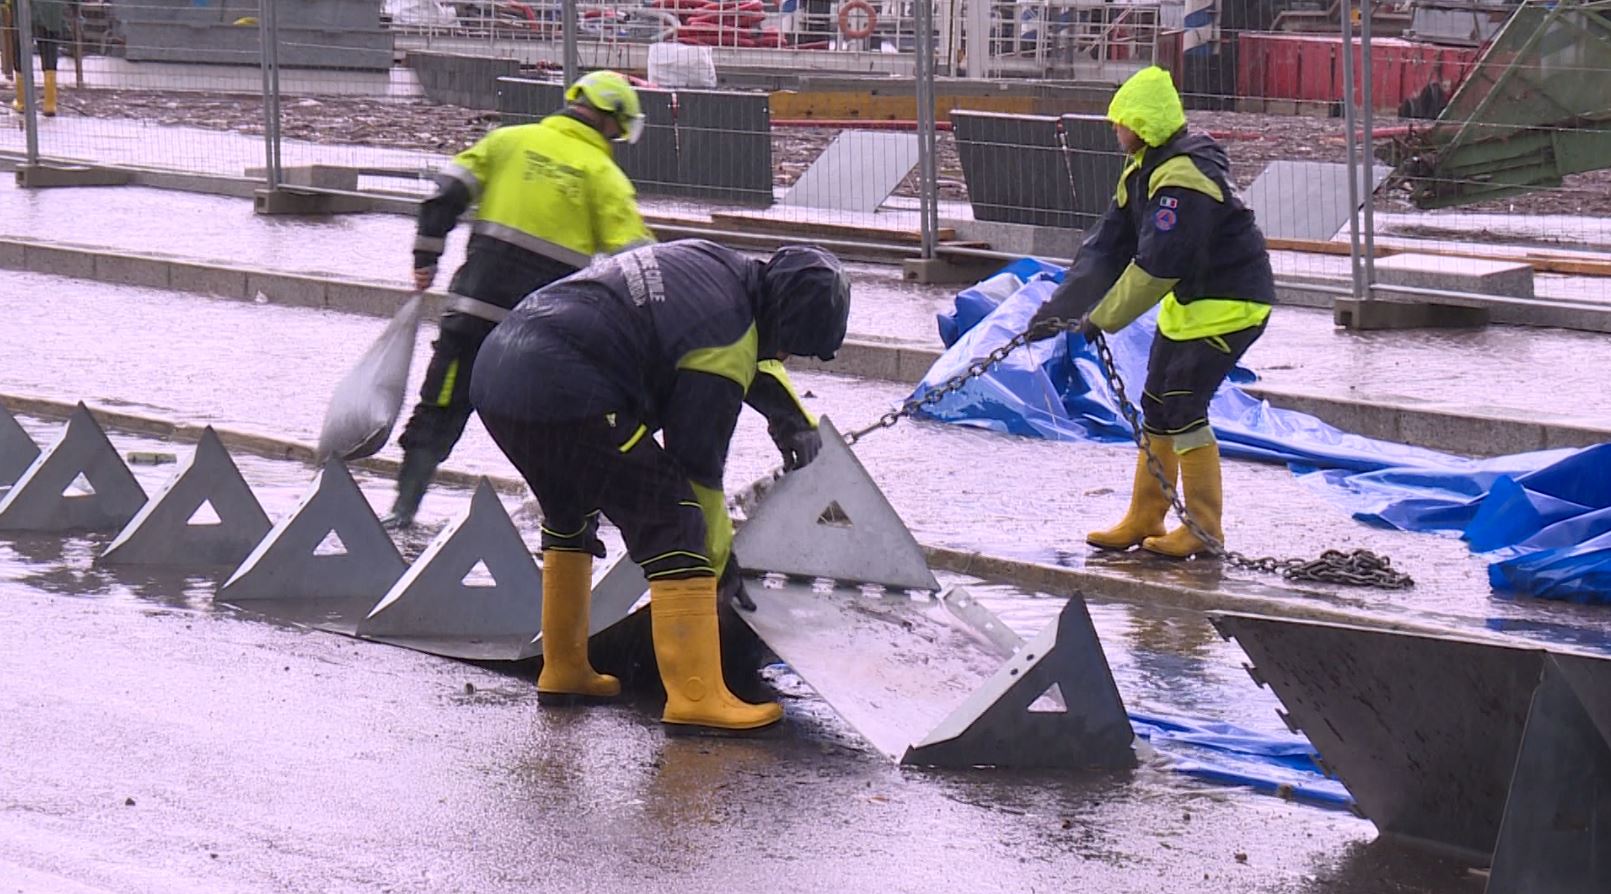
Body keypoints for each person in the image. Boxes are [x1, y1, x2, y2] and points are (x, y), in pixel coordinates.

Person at [470, 239, 849, 733]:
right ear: (785, 325)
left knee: (571, 508)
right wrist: (716, 562)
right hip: (567, 385)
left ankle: (564, 669)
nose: (782, 355)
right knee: (674, 518)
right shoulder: (727, 334)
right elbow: (697, 464)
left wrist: (791, 419)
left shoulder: (723, 270)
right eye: (789, 347)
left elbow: (738, 348)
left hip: (502, 370)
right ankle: (697, 697)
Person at [384, 69, 655, 529]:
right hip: (540, 338)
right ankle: (568, 525)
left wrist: (426, 257)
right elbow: (635, 261)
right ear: (612, 120)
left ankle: (402, 511)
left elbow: (444, 195)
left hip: (471, 316)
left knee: (441, 408)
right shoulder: (602, 175)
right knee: (554, 426)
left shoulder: (507, 142)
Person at [1029, 66, 1273, 559]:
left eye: (1120, 121)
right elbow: (1107, 247)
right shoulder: (1145, 168)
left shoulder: (1182, 179)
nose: (1115, 130)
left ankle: (1204, 530)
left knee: (1182, 407)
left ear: (1140, 124)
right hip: (1194, 306)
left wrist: (1103, 318)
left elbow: (1159, 267)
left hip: (1231, 305)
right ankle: (1145, 516)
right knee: (1158, 407)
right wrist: (1061, 308)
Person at [6, 0, 70, 117]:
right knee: (49, 54)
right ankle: (50, 103)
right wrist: (76, 10)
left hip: (23, 14)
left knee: (20, 54)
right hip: (51, 14)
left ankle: (22, 101)